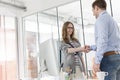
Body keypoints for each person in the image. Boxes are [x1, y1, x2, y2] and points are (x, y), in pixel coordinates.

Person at [87, 0, 120, 80]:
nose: (92, 12)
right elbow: (109, 42)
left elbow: (103, 41)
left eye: (93, 10)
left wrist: (97, 62)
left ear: (96, 8)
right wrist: (91, 47)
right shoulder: (112, 20)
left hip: (108, 59)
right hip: (117, 58)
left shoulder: (101, 19)